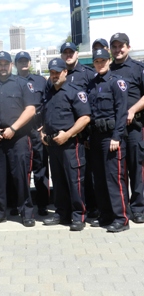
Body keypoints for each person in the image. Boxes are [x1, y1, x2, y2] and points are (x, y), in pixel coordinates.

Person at [0, 51, 38, 227]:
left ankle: (26, 212)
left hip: (18, 137)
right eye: (0, 63)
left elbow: (30, 110)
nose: (3, 66)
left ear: (11, 65)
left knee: (21, 176)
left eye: (6, 63)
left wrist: (14, 128)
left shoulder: (21, 84)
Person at [41, 58, 91, 231]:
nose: (54, 75)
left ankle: (78, 216)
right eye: (52, 72)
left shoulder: (74, 92)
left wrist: (68, 134)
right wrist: (42, 132)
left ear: (65, 72)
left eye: (58, 72)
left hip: (70, 143)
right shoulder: (48, 93)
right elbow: (45, 116)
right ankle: (61, 213)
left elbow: (85, 117)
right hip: (53, 144)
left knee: (75, 181)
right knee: (59, 181)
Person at [88, 48, 129, 232]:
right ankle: (105, 215)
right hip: (96, 137)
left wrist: (116, 136)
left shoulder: (117, 82)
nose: (100, 63)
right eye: (96, 61)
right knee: (100, 179)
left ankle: (121, 218)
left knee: (114, 178)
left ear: (109, 60)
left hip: (111, 137)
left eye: (103, 60)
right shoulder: (92, 84)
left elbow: (122, 112)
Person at [60, 41, 98, 219]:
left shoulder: (88, 74)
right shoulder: (59, 74)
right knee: (71, 175)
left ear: (77, 54)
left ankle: (92, 207)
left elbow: (94, 103)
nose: (68, 55)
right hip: (65, 135)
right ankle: (71, 208)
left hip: (85, 132)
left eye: (71, 52)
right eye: (65, 53)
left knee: (88, 173)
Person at [109, 32, 144, 224]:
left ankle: (138, 208)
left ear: (128, 47)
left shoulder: (138, 68)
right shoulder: (108, 69)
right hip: (114, 131)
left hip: (134, 128)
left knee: (136, 169)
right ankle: (122, 208)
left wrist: (131, 110)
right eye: (114, 46)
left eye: (121, 46)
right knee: (117, 171)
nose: (118, 49)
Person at [15, 51, 50, 216]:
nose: (23, 63)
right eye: (20, 61)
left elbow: (49, 103)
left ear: (30, 63)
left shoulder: (40, 81)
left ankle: (42, 203)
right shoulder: (12, 82)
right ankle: (20, 203)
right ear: (15, 64)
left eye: (26, 61)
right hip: (20, 131)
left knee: (41, 167)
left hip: (37, 129)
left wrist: (45, 125)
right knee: (20, 169)